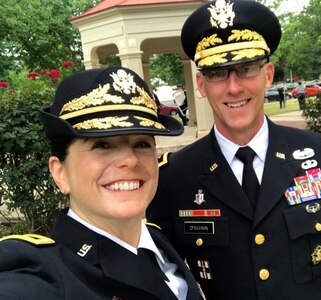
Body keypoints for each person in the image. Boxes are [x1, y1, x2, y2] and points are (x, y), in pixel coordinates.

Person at [147, 0, 321, 299]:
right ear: (201, 84)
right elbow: (166, 283)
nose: (233, 88)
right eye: (218, 73)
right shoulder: (174, 177)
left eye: (246, 69)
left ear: (268, 74)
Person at [0, 67, 204, 300]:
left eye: (142, 144)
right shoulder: (42, 275)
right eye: (102, 145)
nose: (130, 160)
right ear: (60, 173)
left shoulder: (158, 242)